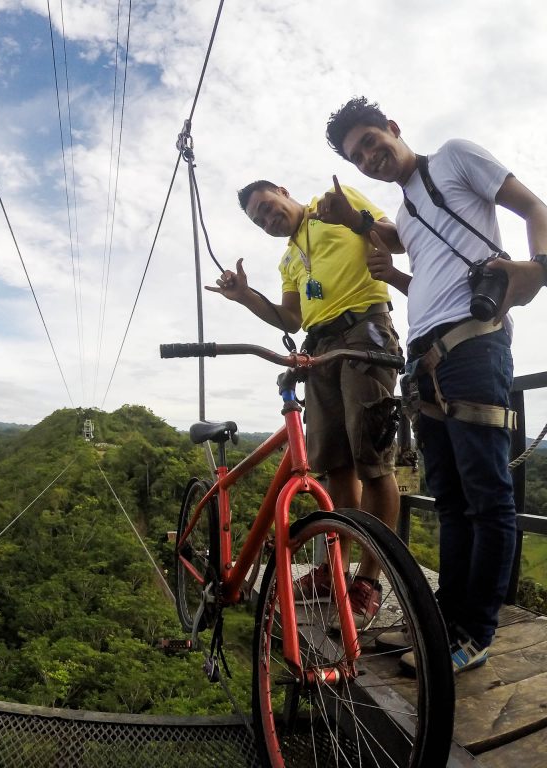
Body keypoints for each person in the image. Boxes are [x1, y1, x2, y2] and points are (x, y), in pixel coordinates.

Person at [325, 96, 547, 673]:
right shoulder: (406, 211)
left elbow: (533, 207)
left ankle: (475, 632)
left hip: (474, 345)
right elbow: (414, 260)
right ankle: (443, 622)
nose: (370, 157)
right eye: (358, 157)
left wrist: (540, 269)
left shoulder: (454, 157)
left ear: (395, 129)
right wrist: (390, 268)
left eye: (373, 142)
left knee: (486, 495)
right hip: (424, 359)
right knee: (449, 500)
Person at [207, 178, 403, 630]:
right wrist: (245, 298)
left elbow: (389, 235)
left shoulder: (335, 202)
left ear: (283, 190)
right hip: (318, 348)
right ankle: (336, 571)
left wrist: (359, 222)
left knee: (373, 461)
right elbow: (290, 318)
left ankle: (369, 582)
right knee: (337, 466)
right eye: (260, 220)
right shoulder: (288, 258)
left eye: (269, 207)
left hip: (364, 334)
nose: (269, 219)